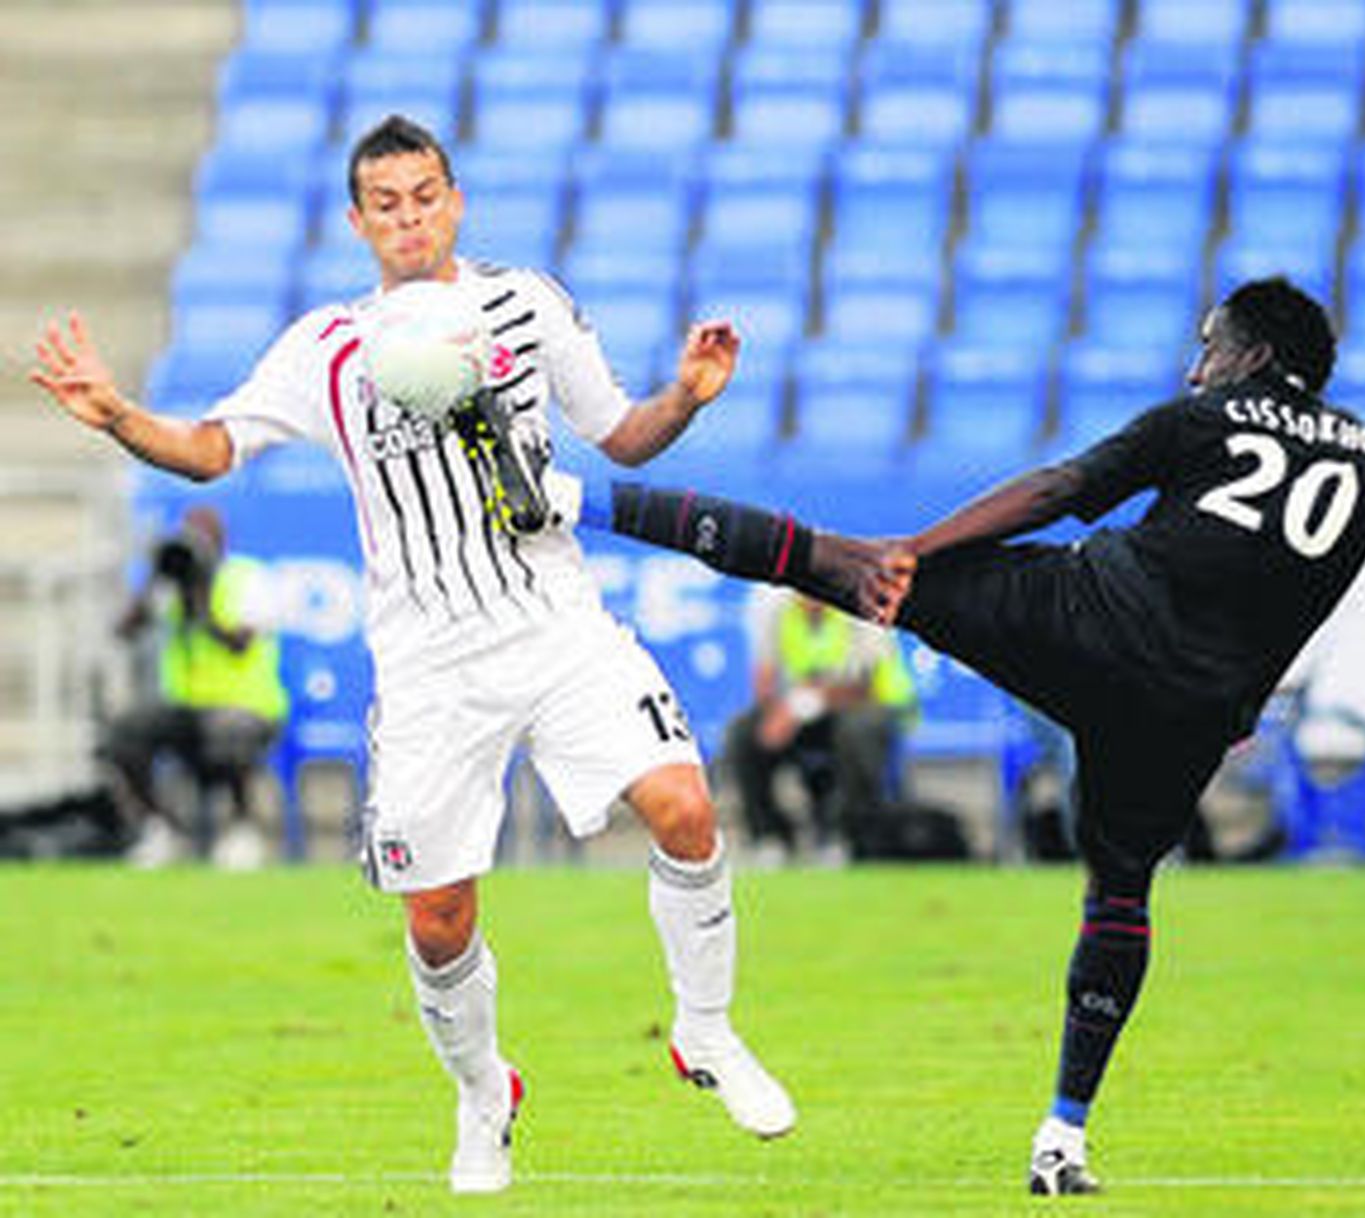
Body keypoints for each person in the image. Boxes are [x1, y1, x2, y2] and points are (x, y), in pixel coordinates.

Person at [582, 277, 1365, 1194]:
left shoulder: (1205, 415)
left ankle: (580, 500)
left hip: (1085, 621)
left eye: (1209, 346)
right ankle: (1062, 1137)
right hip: (1190, 715)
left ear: (1249, 354)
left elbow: (1061, 491)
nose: (1197, 367)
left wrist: (916, 551)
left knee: (832, 562)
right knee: (1119, 894)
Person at [29, 114, 793, 1195]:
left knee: (685, 808)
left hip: (559, 628)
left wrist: (684, 397)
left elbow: (620, 434)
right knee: (439, 921)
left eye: (425, 196)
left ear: (455, 201)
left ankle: (705, 1029)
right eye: (385, 204)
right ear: (357, 222)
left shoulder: (526, 304)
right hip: (430, 667)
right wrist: (117, 414)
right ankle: (484, 1094)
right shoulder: (328, 347)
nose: (408, 218)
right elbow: (210, 450)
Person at [105, 504, 288, 867]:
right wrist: (154, 581)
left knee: (229, 730)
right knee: (126, 732)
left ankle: (241, 830)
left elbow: (239, 644)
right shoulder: (173, 584)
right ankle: (163, 829)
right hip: (188, 709)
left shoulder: (247, 579)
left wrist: (202, 604)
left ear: (222, 542)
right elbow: (124, 632)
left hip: (248, 709)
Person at [723, 590, 915, 864]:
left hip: (869, 705)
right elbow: (764, 677)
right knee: (743, 732)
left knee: (857, 732)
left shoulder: (862, 607)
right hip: (803, 712)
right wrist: (776, 713)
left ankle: (845, 834)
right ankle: (769, 835)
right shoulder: (773, 609)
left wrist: (800, 706)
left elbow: (864, 686)